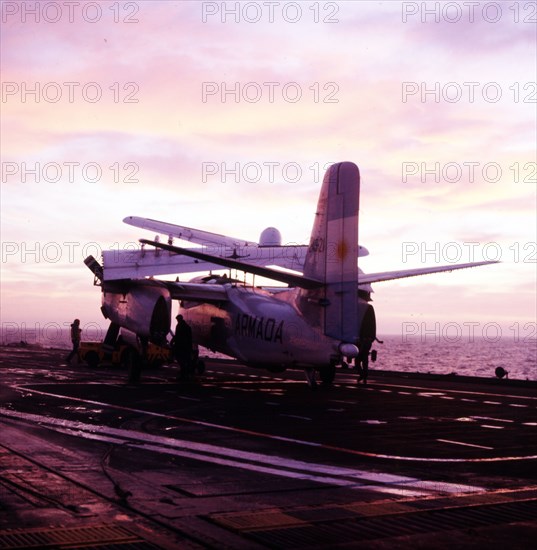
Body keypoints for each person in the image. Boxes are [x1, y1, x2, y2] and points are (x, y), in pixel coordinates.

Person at [172, 314, 193, 379]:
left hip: (180, 346)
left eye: (177, 319)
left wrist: (172, 342)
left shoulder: (179, 326)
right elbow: (190, 337)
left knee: (180, 359)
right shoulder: (187, 327)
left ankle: (184, 372)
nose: (177, 320)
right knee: (186, 359)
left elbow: (177, 335)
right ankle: (186, 372)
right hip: (186, 346)